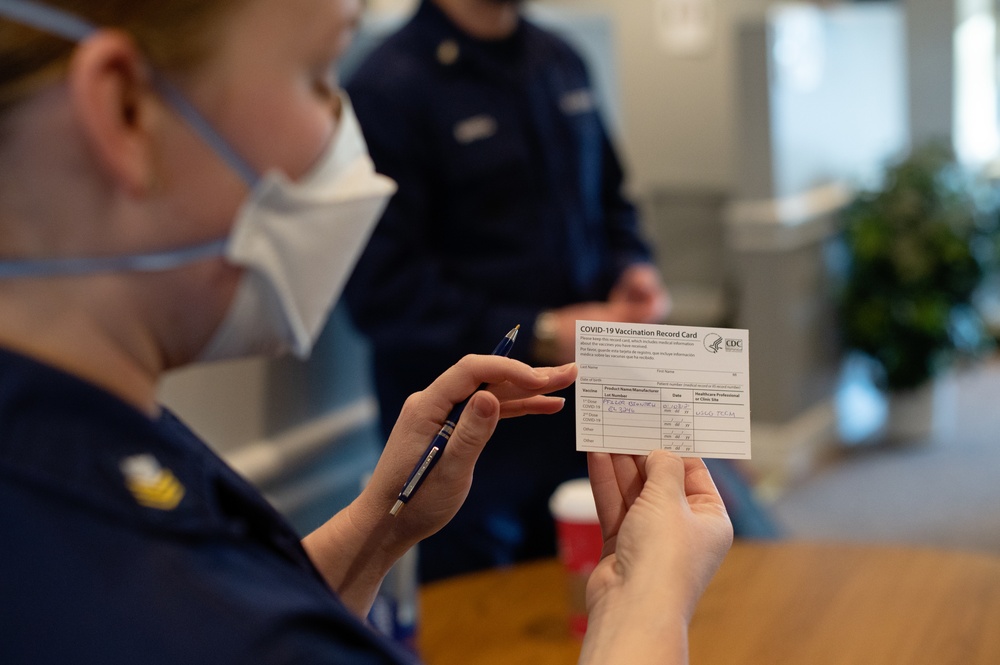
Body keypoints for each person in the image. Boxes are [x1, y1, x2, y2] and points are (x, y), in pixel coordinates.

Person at [0, 1, 732, 664]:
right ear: (126, 110)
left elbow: (253, 589)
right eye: (319, 75)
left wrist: (379, 528)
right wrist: (644, 609)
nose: (341, 139)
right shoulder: (167, 597)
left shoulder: (110, 447)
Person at [344, 0, 671, 581]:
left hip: (581, 413)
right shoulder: (387, 88)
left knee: (605, 598)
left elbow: (612, 203)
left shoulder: (561, 60)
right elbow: (385, 292)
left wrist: (633, 270)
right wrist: (541, 333)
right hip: (469, 440)